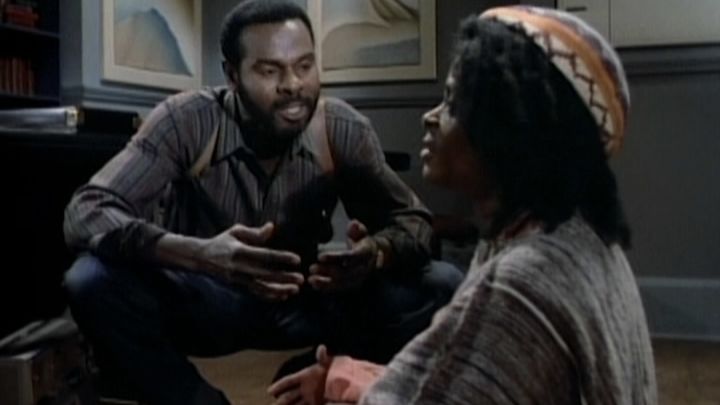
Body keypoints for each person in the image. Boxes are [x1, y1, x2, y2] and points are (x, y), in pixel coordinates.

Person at [62, 1, 463, 404]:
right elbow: (87, 209)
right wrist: (201, 255)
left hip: (301, 301)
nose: (293, 84)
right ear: (232, 75)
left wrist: (375, 253)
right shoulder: (187, 119)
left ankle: (318, 371)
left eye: (304, 66)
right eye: (270, 71)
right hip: (205, 301)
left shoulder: (341, 127)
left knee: (440, 283)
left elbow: (414, 221)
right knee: (90, 280)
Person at [268, 5, 658, 405]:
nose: (430, 116)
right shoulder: (579, 235)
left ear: (511, 126)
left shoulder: (521, 283)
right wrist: (351, 376)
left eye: (453, 102)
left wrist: (342, 386)